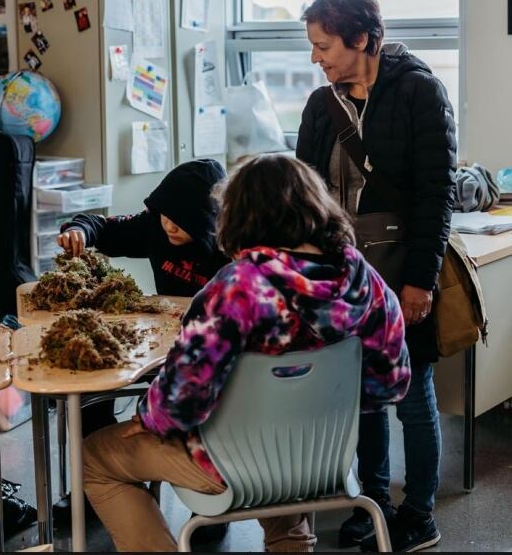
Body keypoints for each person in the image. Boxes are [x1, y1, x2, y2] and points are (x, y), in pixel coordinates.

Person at [82, 154, 411, 552]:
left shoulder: (237, 287)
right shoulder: (363, 277)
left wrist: (149, 416)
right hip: (323, 459)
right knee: (276, 448)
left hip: (231, 462)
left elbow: (181, 402)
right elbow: (391, 383)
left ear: (240, 214)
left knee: (92, 459)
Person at [296, 0, 457, 552]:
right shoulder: (321, 105)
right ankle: (373, 502)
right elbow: (305, 198)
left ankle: (419, 513)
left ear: (361, 37)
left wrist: (420, 280)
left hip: (402, 270)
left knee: (413, 397)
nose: (316, 58)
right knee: (362, 396)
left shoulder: (420, 93)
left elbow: (437, 198)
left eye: (324, 46)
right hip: (343, 279)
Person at [56, 159, 230, 541]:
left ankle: (215, 507)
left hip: (207, 350)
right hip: (158, 340)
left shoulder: (229, 250)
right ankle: (96, 492)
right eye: (164, 215)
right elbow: (102, 225)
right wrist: (78, 231)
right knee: (91, 380)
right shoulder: (155, 226)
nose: (168, 225)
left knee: (212, 400)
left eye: (179, 220)